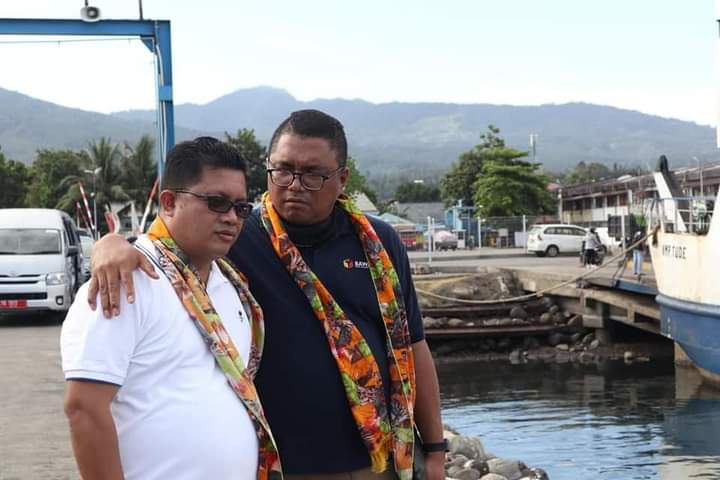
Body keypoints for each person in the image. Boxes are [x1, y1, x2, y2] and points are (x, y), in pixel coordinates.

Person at [87, 110, 446, 480]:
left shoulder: (379, 244)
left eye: (312, 174)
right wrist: (111, 244)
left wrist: (435, 448)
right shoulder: (236, 236)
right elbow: (165, 245)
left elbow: (412, 345)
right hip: (284, 465)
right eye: (282, 170)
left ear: (342, 179)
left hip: (379, 457)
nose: (294, 184)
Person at [61, 137, 280, 480]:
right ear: (169, 202)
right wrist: (110, 242)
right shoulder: (126, 281)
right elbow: (84, 408)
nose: (230, 218)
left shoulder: (231, 285)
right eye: (216, 202)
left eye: (240, 208)